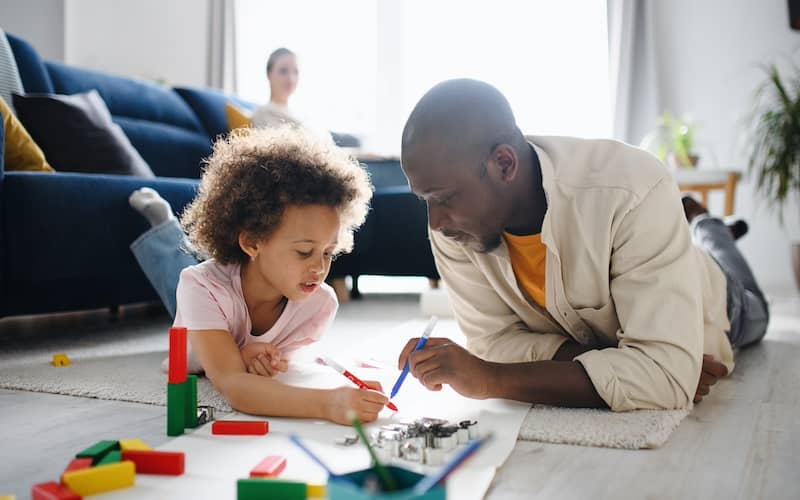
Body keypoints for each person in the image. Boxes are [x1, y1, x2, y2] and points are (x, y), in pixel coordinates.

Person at [397, 79, 769, 411]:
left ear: (504, 164)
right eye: (424, 201)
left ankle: (708, 226)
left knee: (752, 300)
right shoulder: (456, 228)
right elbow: (492, 343)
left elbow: (665, 380)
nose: (434, 223)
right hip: (620, 306)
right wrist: (632, 366)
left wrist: (492, 379)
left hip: (719, 297)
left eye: (444, 198)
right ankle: (703, 226)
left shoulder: (630, 188)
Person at [128, 126, 389, 424]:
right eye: (304, 252)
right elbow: (234, 385)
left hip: (228, 299)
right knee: (178, 272)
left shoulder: (319, 306)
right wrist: (327, 404)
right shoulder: (201, 286)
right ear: (252, 242)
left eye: (328, 252)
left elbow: (269, 371)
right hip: (204, 307)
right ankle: (161, 224)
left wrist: (262, 361)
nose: (320, 269)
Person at [250, 48, 302, 129]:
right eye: (283, 71)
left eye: (295, 71)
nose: (291, 79)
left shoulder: (299, 113)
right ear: (269, 74)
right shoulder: (262, 114)